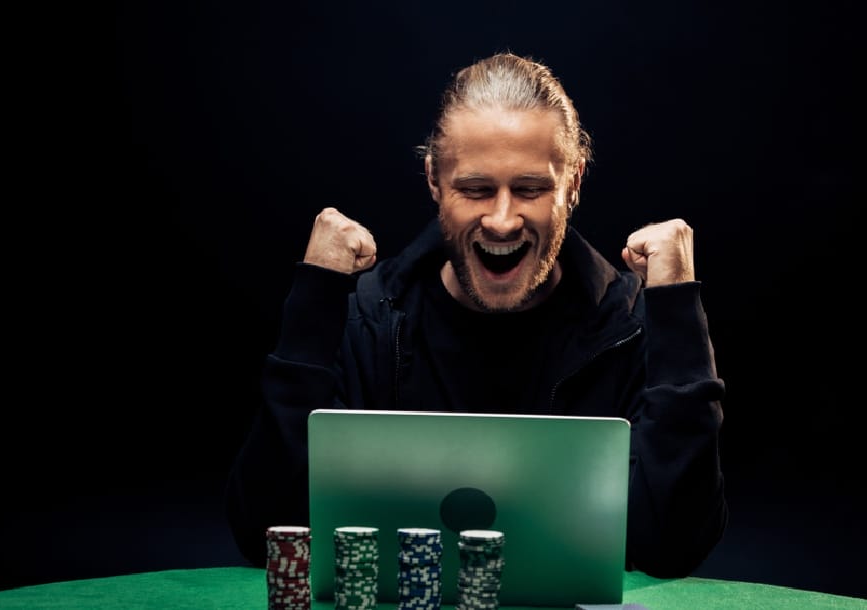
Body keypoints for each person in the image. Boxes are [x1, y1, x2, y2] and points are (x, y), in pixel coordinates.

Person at [225, 51, 727, 578]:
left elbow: (675, 546)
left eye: (530, 189)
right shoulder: (368, 321)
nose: (503, 220)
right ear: (433, 180)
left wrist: (677, 307)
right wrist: (314, 298)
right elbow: (264, 532)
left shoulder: (628, 326)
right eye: (475, 189)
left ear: (574, 182)